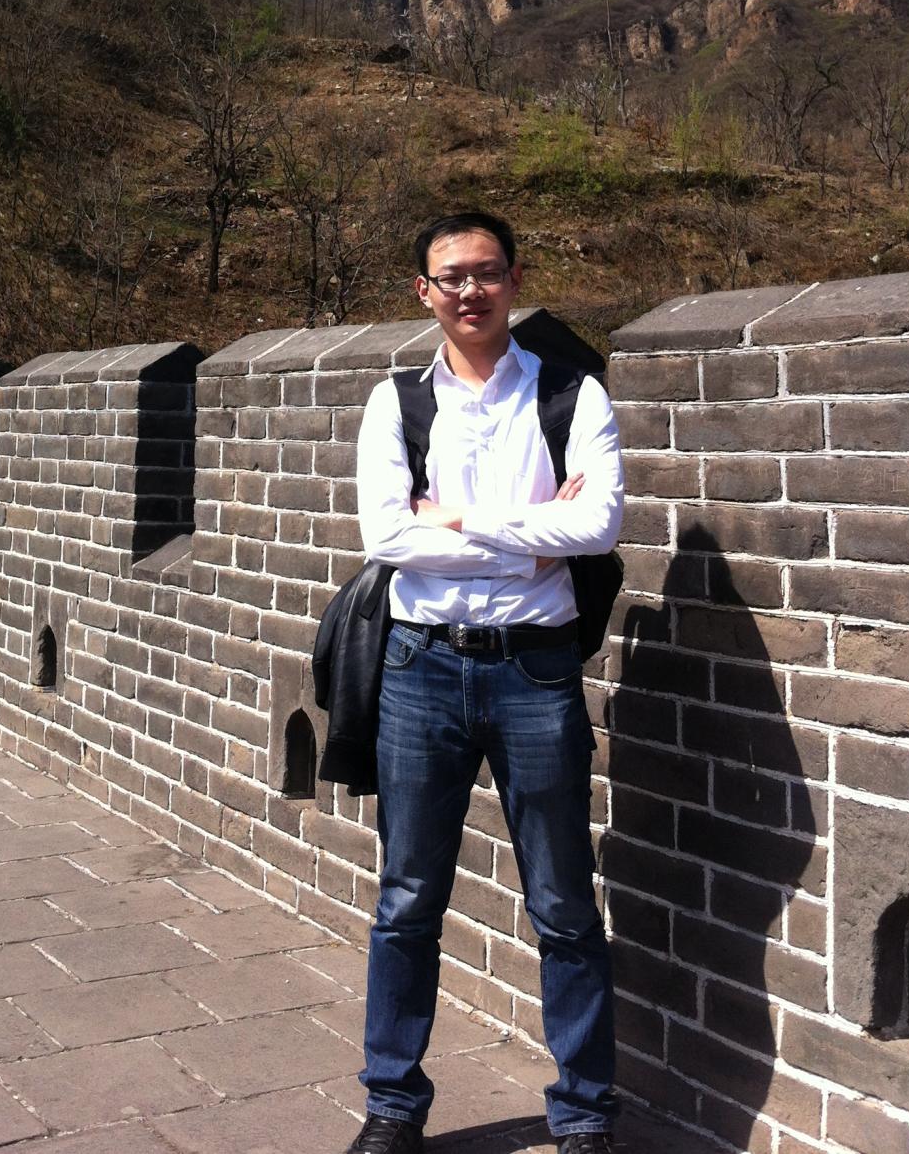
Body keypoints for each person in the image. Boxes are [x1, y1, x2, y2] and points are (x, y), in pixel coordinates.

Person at [345, 210, 624, 1154]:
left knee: (564, 904)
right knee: (406, 899)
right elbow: (387, 536)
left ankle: (584, 1115)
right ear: (423, 291)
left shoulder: (571, 394)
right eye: (451, 275)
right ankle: (392, 1107)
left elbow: (597, 527)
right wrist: (530, 533)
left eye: (488, 271)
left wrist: (460, 521)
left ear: (515, 278)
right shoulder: (397, 402)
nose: (471, 289)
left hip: (536, 671)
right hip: (420, 668)